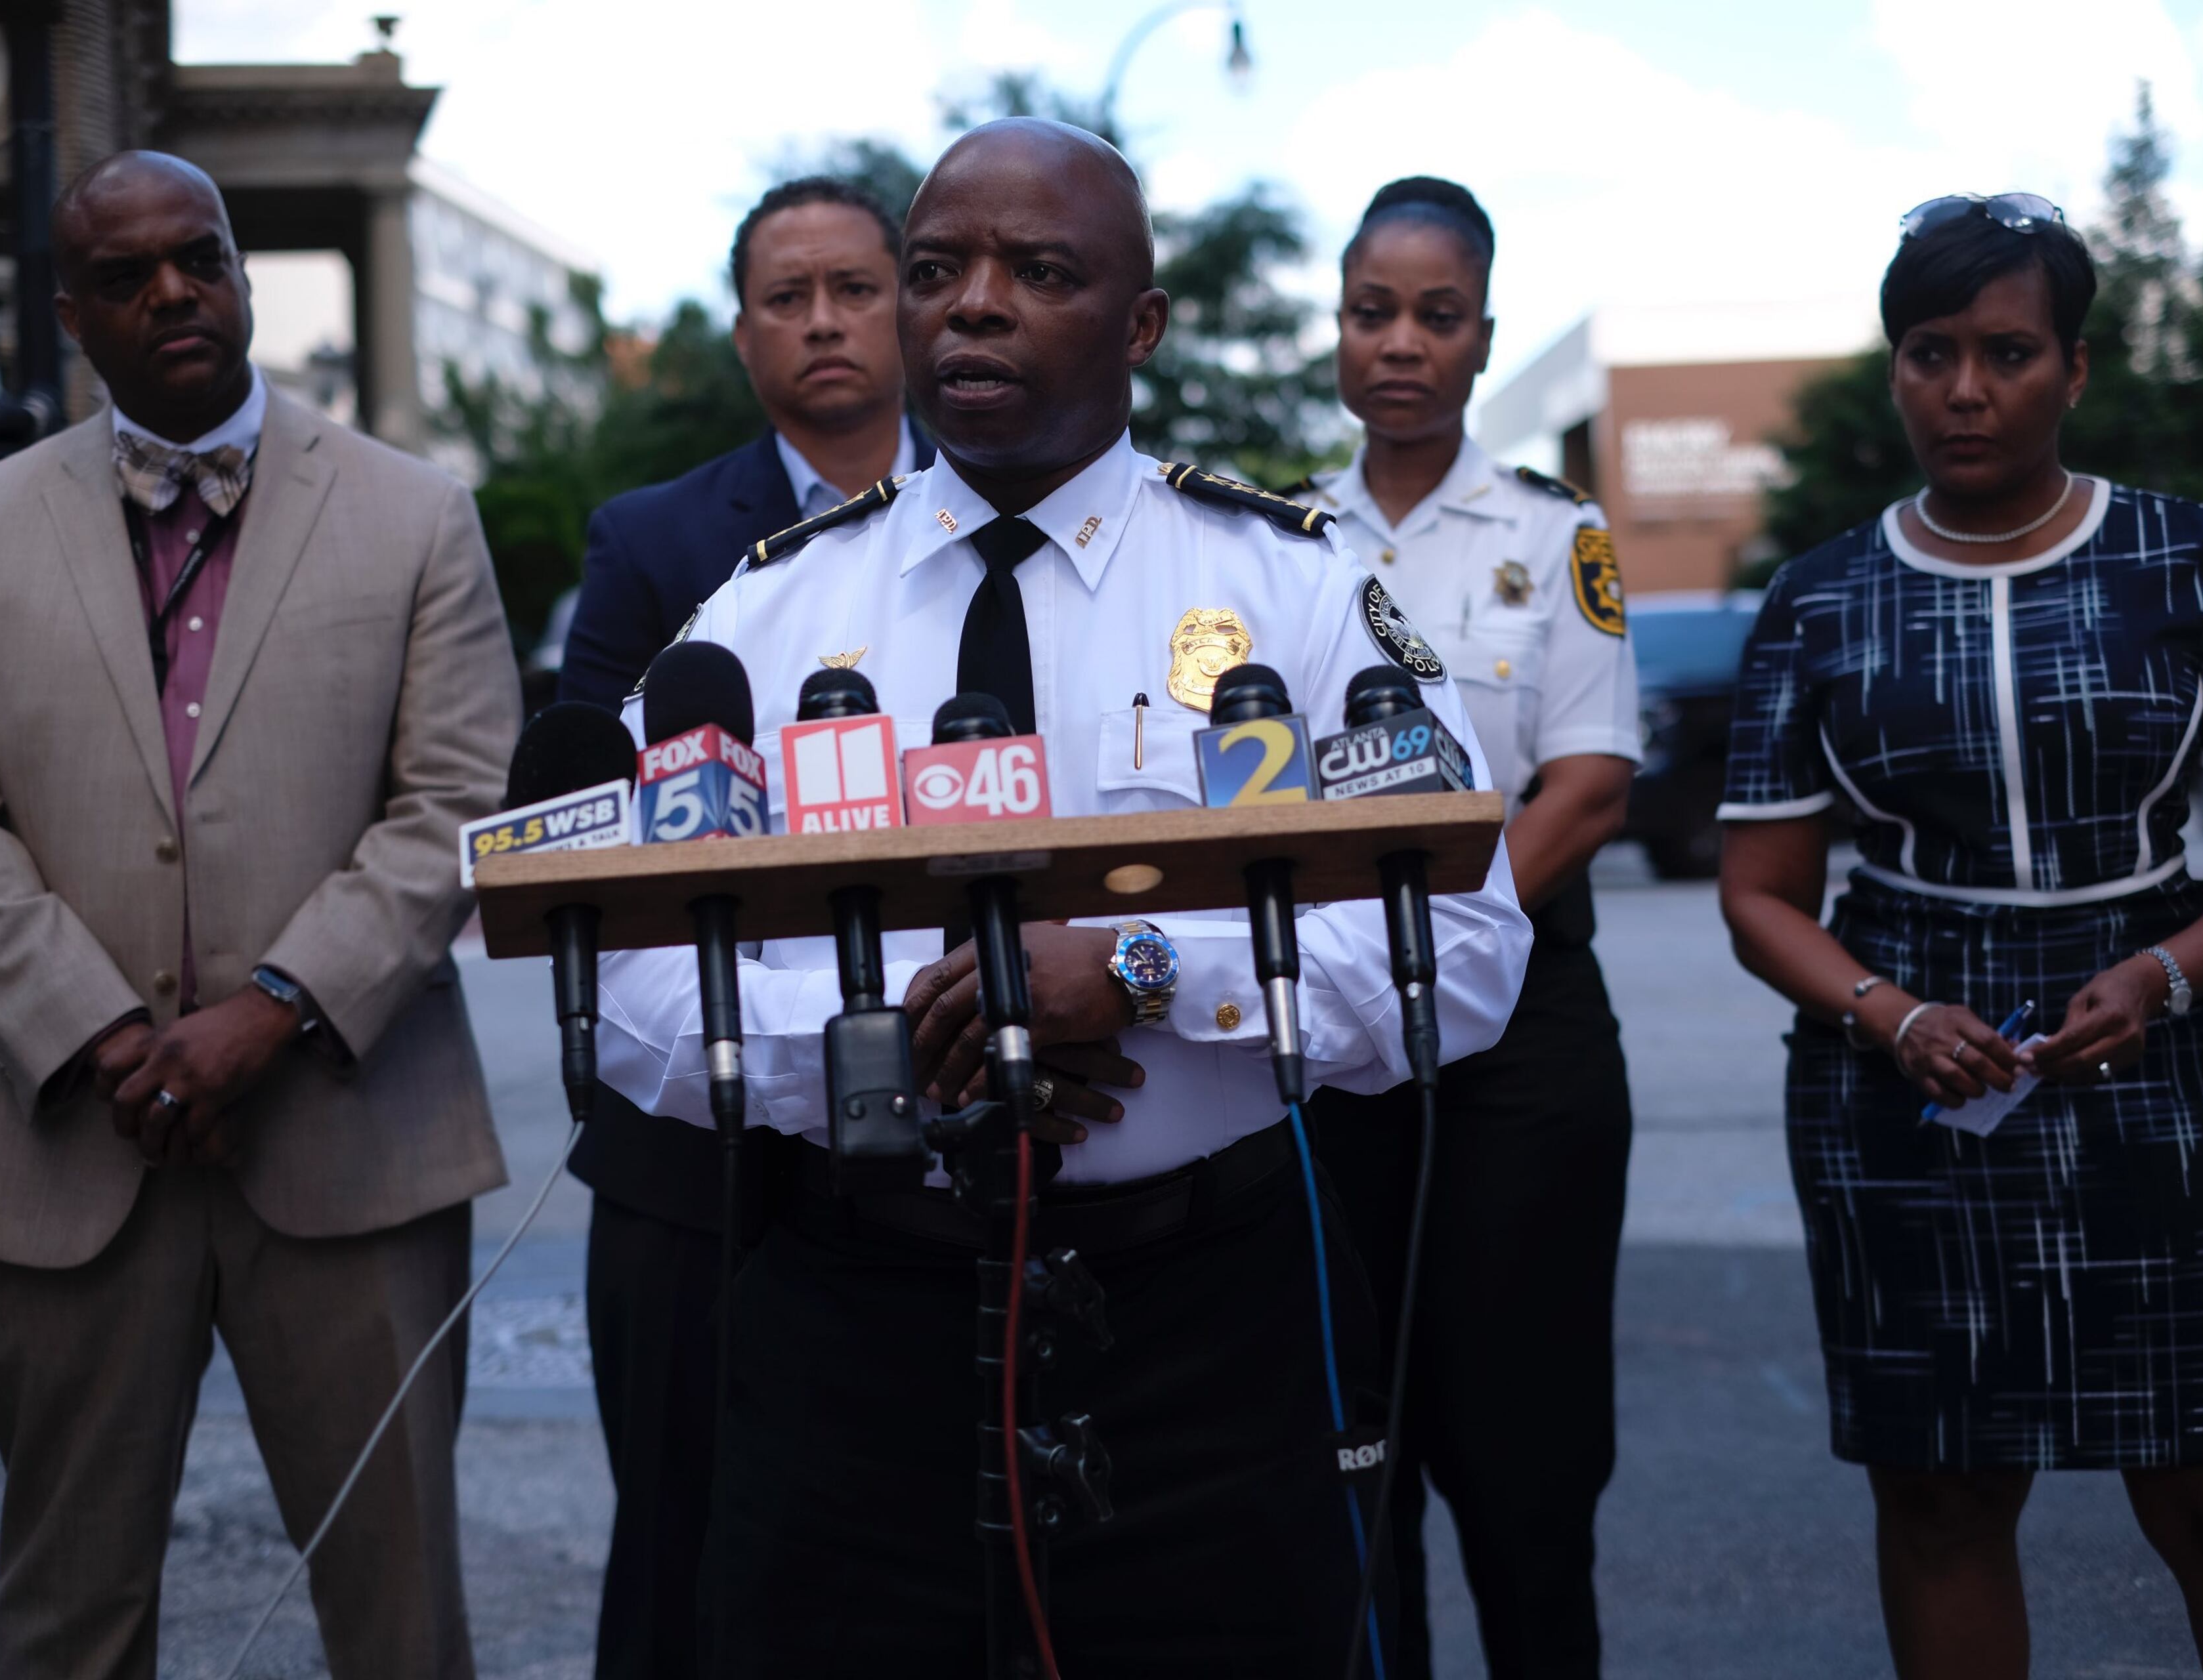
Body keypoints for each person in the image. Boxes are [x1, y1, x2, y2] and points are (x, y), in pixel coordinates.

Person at [592, 117, 1530, 1677]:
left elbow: (1470, 941)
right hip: (857, 1323)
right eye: (939, 270)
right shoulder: (758, 620)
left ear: (1141, 323)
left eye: (1039, 272)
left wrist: (1153, 969)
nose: (972, 305)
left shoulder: (1291, 593)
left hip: (1208, 1330)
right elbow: (623, 967)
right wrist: (889, 1033)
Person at [0, 152, 519, 1678]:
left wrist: (274, 1009)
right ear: (71, 313)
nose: (173, 289)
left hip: (355, 1141)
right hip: (66, 1153)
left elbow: (457, 804)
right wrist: (108, 1032)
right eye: (127, 273)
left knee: (400, 1612)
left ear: (237, 271)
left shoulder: (419, 514)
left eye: (201, 257)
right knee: (65, 1616)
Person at [1715, 194, 2203, 1679]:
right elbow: (1757, 892)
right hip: (1906, 1088)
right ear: (1895, 370)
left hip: (2168, 1065)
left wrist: (2160, 973)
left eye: (2006, 351)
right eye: (1928, 352)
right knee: (1941, 1493)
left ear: (2076, 364)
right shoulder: (1818, 602)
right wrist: (1888, 1012)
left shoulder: (2198, 565)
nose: (1965, 389)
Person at [551, 174, 936, 1680]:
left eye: (856, 285)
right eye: (790, 296)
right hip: (692, 1141)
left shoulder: (992, 512)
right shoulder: (654, 539)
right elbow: (590, 808)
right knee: (685, 1538)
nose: (827, 321)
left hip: (934, 1099)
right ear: (743, 333)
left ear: (905, 303)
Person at [1300, 177, 1641, 1679]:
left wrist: (1445, 940)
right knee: (1347, 1459)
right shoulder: (1276, 541)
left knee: (1523, 1469)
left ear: (1483, 338)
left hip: (1521, 1048)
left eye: (1436, 316)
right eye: (1374, 311)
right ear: (1338, 332)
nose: (1401, 343)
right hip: (1328, 1039)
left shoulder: (1558, 536)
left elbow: (1587, 783)